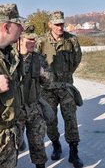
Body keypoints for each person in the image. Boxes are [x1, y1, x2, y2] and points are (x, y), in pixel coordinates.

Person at [37, 11, 83, 168]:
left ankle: (73, 152)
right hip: (47, 90)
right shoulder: (41, 41)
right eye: (56, 24)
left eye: (62, 23)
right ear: (50, 24)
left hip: (66, 88)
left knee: (71, 120)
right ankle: (56, 144)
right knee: (50, 121)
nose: (60, 27)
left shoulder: (71, 40)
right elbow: (35, 62)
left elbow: (77, 59)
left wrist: (65, 75)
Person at [17, 24, 55, 168]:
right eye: (29, 39)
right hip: (16, 111)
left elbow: (49, 82)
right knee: (12, 146)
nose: (33, 43)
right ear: (20, 39)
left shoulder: (38, 58)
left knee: (38, 143)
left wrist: (43, 74)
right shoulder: (11, 59)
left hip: (34, 108)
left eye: (34, 40)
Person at [0, 3, 24, 167]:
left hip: (9, 137)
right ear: (6, 27)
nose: (22, 29)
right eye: (18, 24)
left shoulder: (10, 54)